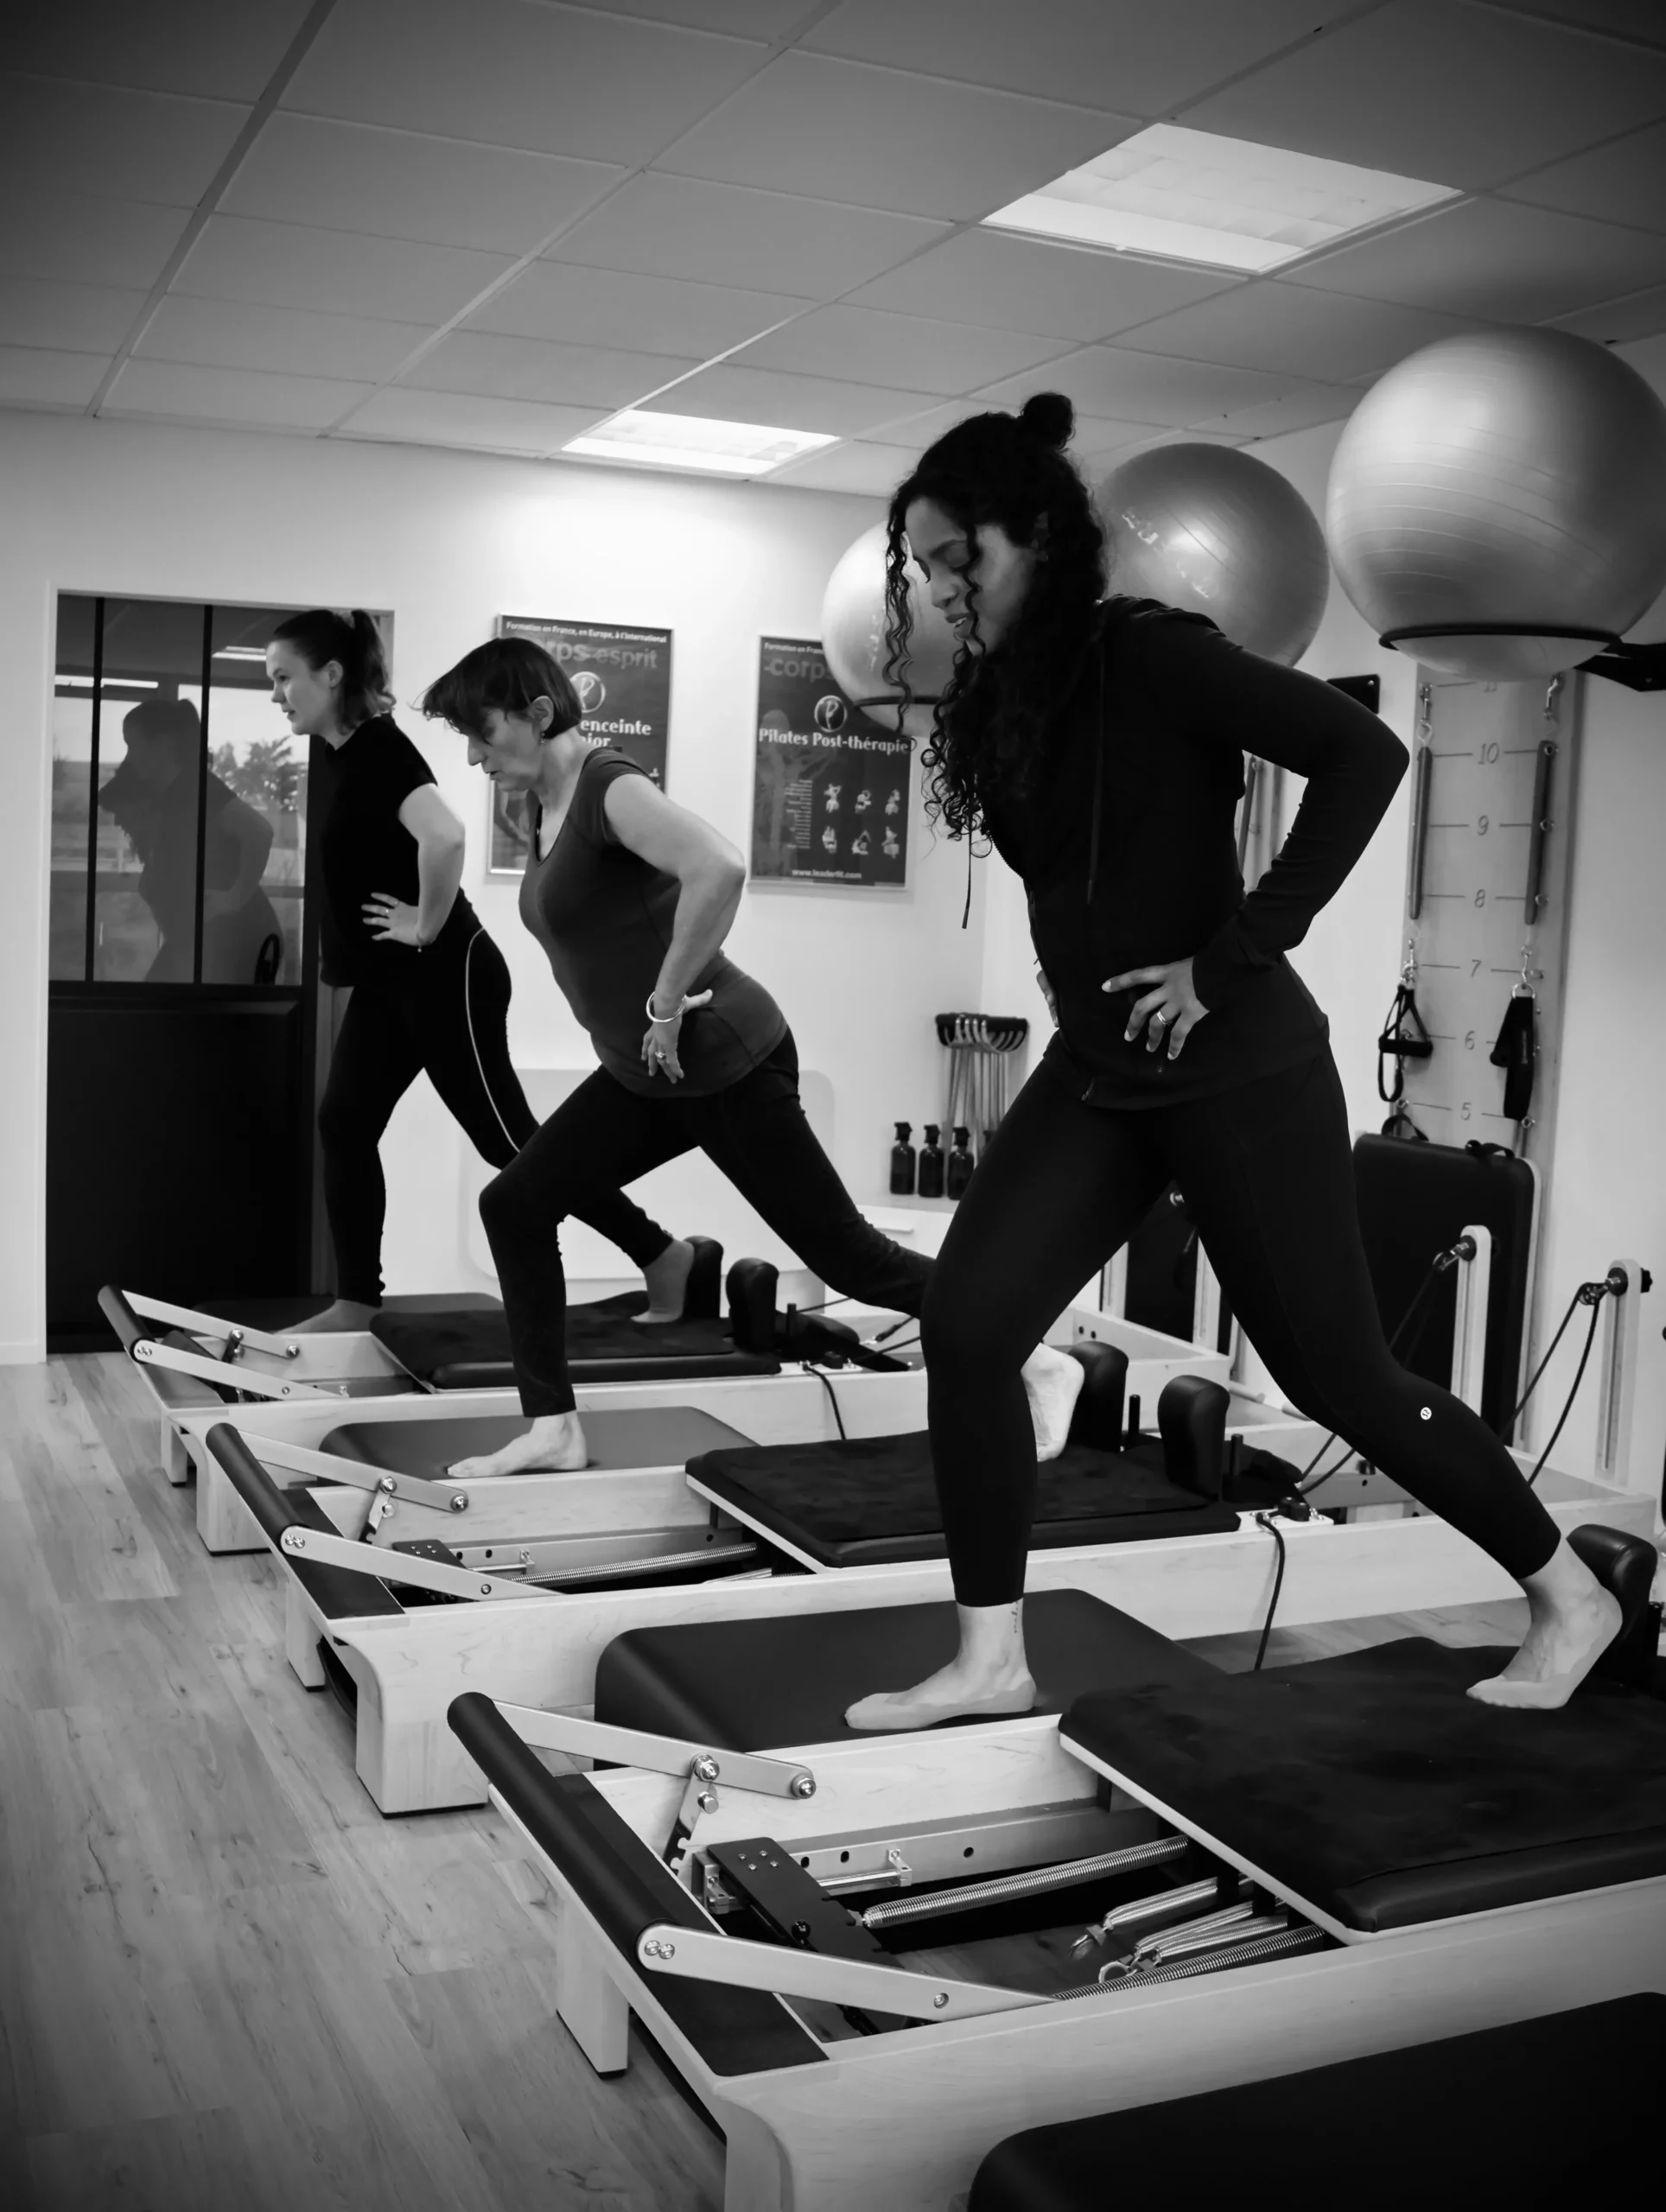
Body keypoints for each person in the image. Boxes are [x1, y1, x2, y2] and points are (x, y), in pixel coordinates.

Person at [843, 392, 1621, 1731]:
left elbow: (1363, 755)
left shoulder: (1152, 654)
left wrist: (1230, 959)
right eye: (927, 566)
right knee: (968, 1329)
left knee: (1338, 1377)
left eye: (960, 557)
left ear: (1039, 535)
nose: (944, 589)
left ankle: (1570, 1592)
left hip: (1237, 1067)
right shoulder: (1004, 697)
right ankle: (990, 1660)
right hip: (1102, 1070)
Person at [419, 634, 1083, 1478]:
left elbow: (719, 868)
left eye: (481, 733)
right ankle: (553, 1429)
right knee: (515, 1205)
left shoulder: (607, 786)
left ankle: (1036, 1356)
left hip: (724, 1059)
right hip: (646, 1075)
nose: (473, 757)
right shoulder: (538, 808)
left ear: (538, 713)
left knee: (849, 1257)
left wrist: (665, 1002)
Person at [266, 609, 684, 1332]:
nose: (275, 694)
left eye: (283, 678)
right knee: (345, 1123)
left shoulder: (378, 750)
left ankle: (661, 1254)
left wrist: (424, 924)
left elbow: (446, 835)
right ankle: (357, 1301)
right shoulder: (337, 752)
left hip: (445, 977)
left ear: (331, 675)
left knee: (507, 1141)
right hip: (390, 983)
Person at [99, 697, 281, 982]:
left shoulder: (196, 787)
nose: (129, 757)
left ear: (163, 744)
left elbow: (260, 832)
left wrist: (234, 899)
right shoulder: (169, 799)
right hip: (207, 942)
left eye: (133, 745)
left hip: (235, 942)